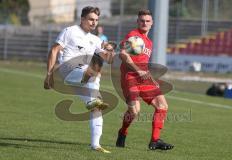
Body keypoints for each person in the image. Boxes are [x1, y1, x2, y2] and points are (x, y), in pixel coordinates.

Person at [43, 6, 115, 153]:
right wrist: (49, 74)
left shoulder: (95, 39)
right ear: (82, 19)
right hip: (67, 71)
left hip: (81, 77)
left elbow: (108, 59)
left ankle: (96, 145)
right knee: (93, 72)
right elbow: (54, 50)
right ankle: (93, 98)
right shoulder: (70, 31)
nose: (94, 22)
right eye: (90, 19)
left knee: (96, 108)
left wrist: (110, 49)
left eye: (96, 20)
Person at [115, 9, 174, 150]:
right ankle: (122, 132)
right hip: (130, 78)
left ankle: (155, 140)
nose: (145, 23)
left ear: (152, 23)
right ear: (137, 22)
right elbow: (123, 55)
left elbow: (142, 61)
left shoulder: (149, 42)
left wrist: (147, 74)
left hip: (144, 78)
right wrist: (138, 70)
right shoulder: (133, 36)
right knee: (134, 112)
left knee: (162, 106)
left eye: (147, 21)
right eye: (142, 20)